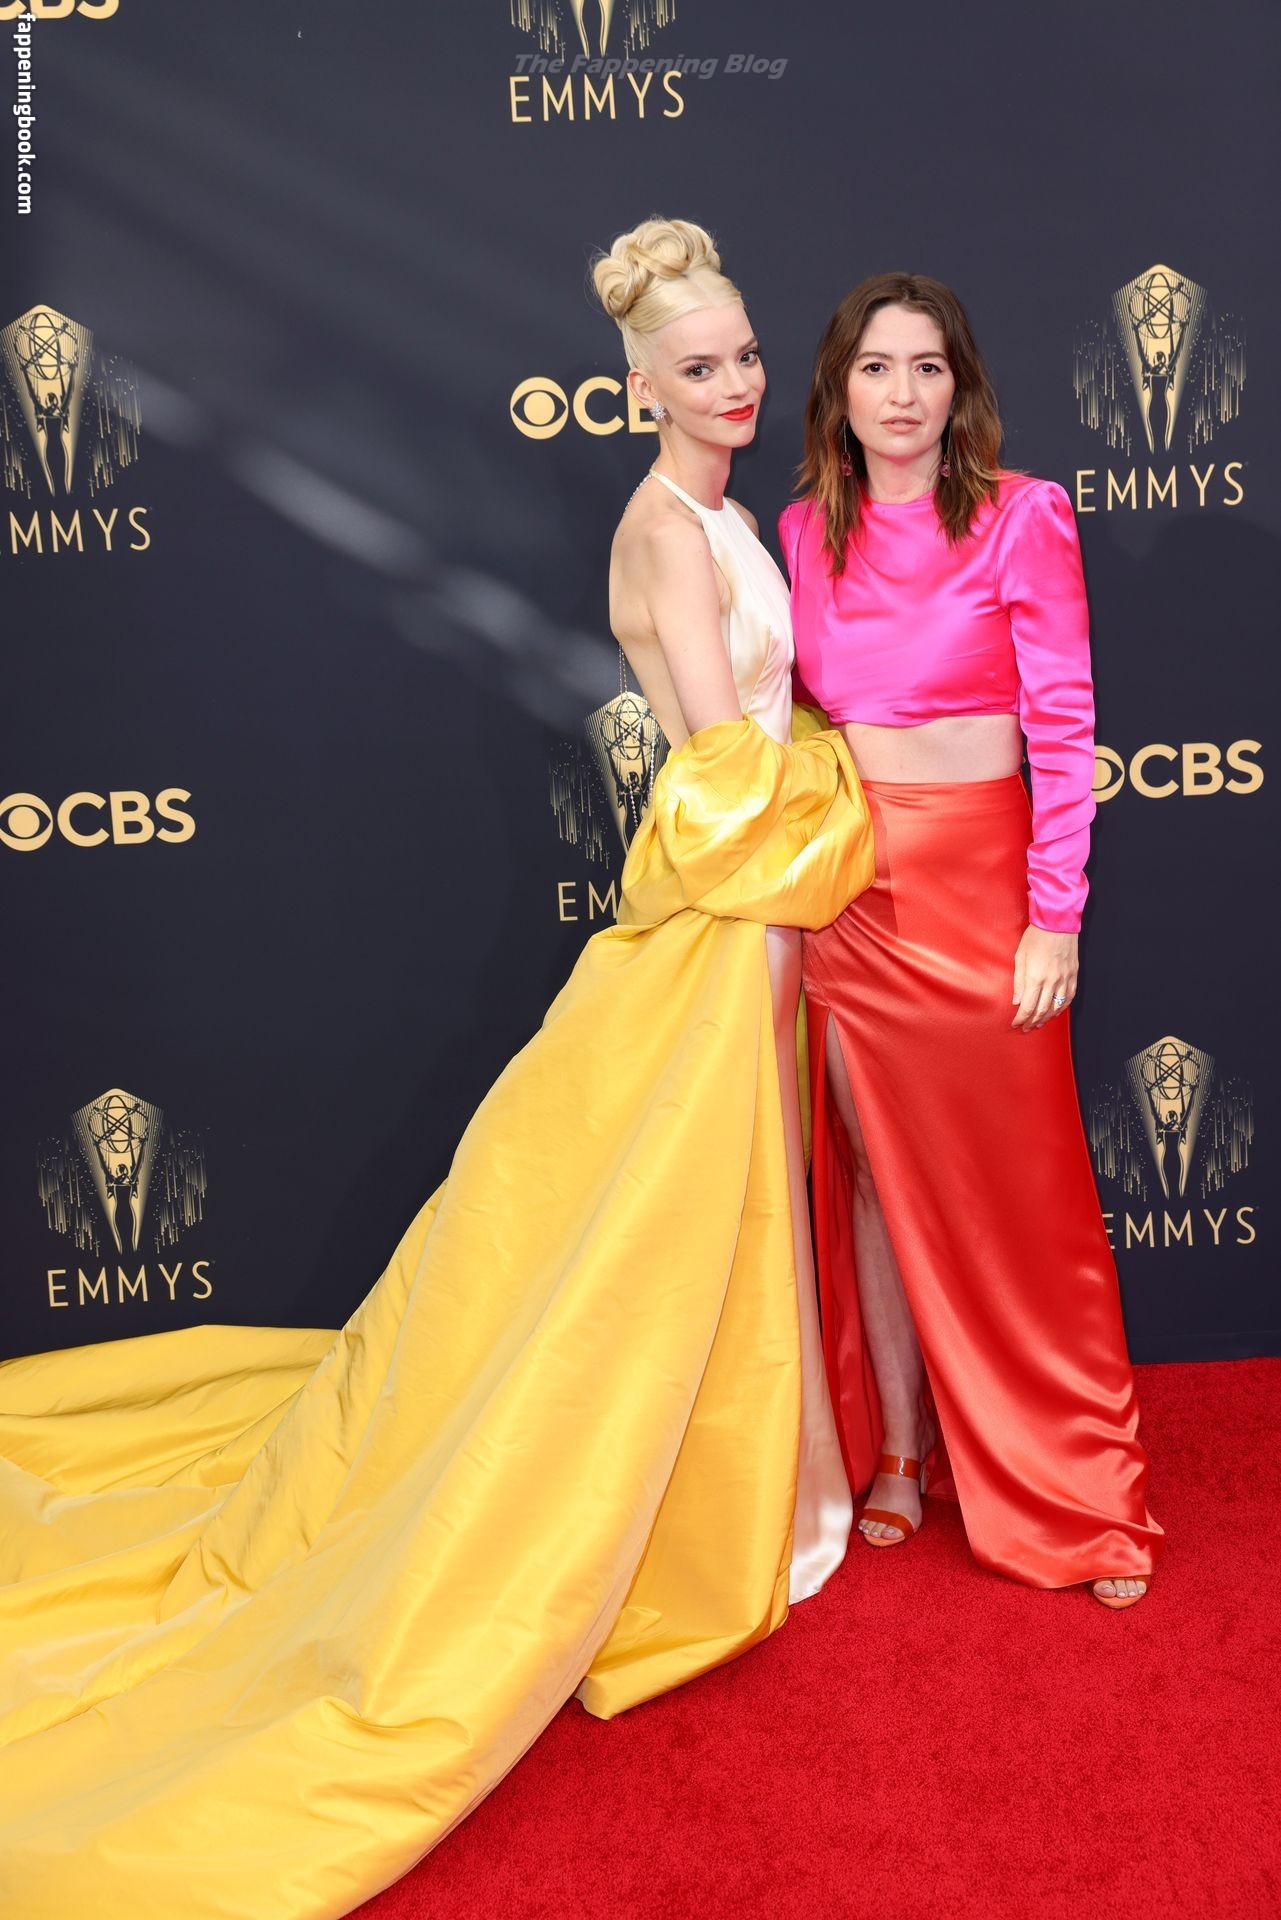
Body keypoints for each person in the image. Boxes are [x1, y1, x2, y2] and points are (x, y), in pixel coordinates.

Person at [0, 221, 873, 1919]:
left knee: (724, 1224)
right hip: (723, 919)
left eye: (748, 357)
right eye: (699, 369)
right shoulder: (661, 531)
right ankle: (674, 1530)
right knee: (667, 1241)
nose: (736, 386)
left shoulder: (730, 518)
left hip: (761, 912)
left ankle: (748, 1492)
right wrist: (865, 813)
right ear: (636, 386)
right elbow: (716, 785)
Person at [778, 272, 1163, 1610]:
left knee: (1030, 1201)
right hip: (853, 902)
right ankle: (899, 1444)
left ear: (962, 387)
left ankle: (1081, 1487)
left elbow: (1063, 721)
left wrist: (1054, 914)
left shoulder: (1021, 515)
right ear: (838, 390)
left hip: (986, 890)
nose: (901, 394)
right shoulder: (799, 531)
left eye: (926, 368)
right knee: (873, 1184)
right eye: (875, 367)